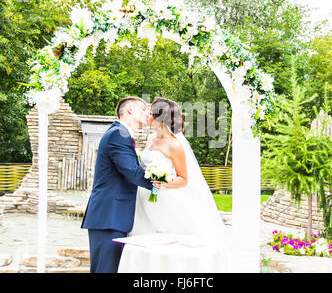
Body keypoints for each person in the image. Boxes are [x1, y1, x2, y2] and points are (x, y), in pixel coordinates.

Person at [130, 97, 228, 240]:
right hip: (144, 195)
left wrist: (163, 181)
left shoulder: (175, 145)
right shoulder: (151, 139)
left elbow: (183, 179)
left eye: (151, 114)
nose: (148, 117)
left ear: (161, 119)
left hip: (165, 200)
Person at [81, 96, 156, 273]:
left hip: (114, 217)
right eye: (143, 109)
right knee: (105, 269)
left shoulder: (121, 134)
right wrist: (158, 182)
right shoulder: (117, 134)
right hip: (109, 216)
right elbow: (131, 171)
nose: (147, 113)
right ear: (129, 111)